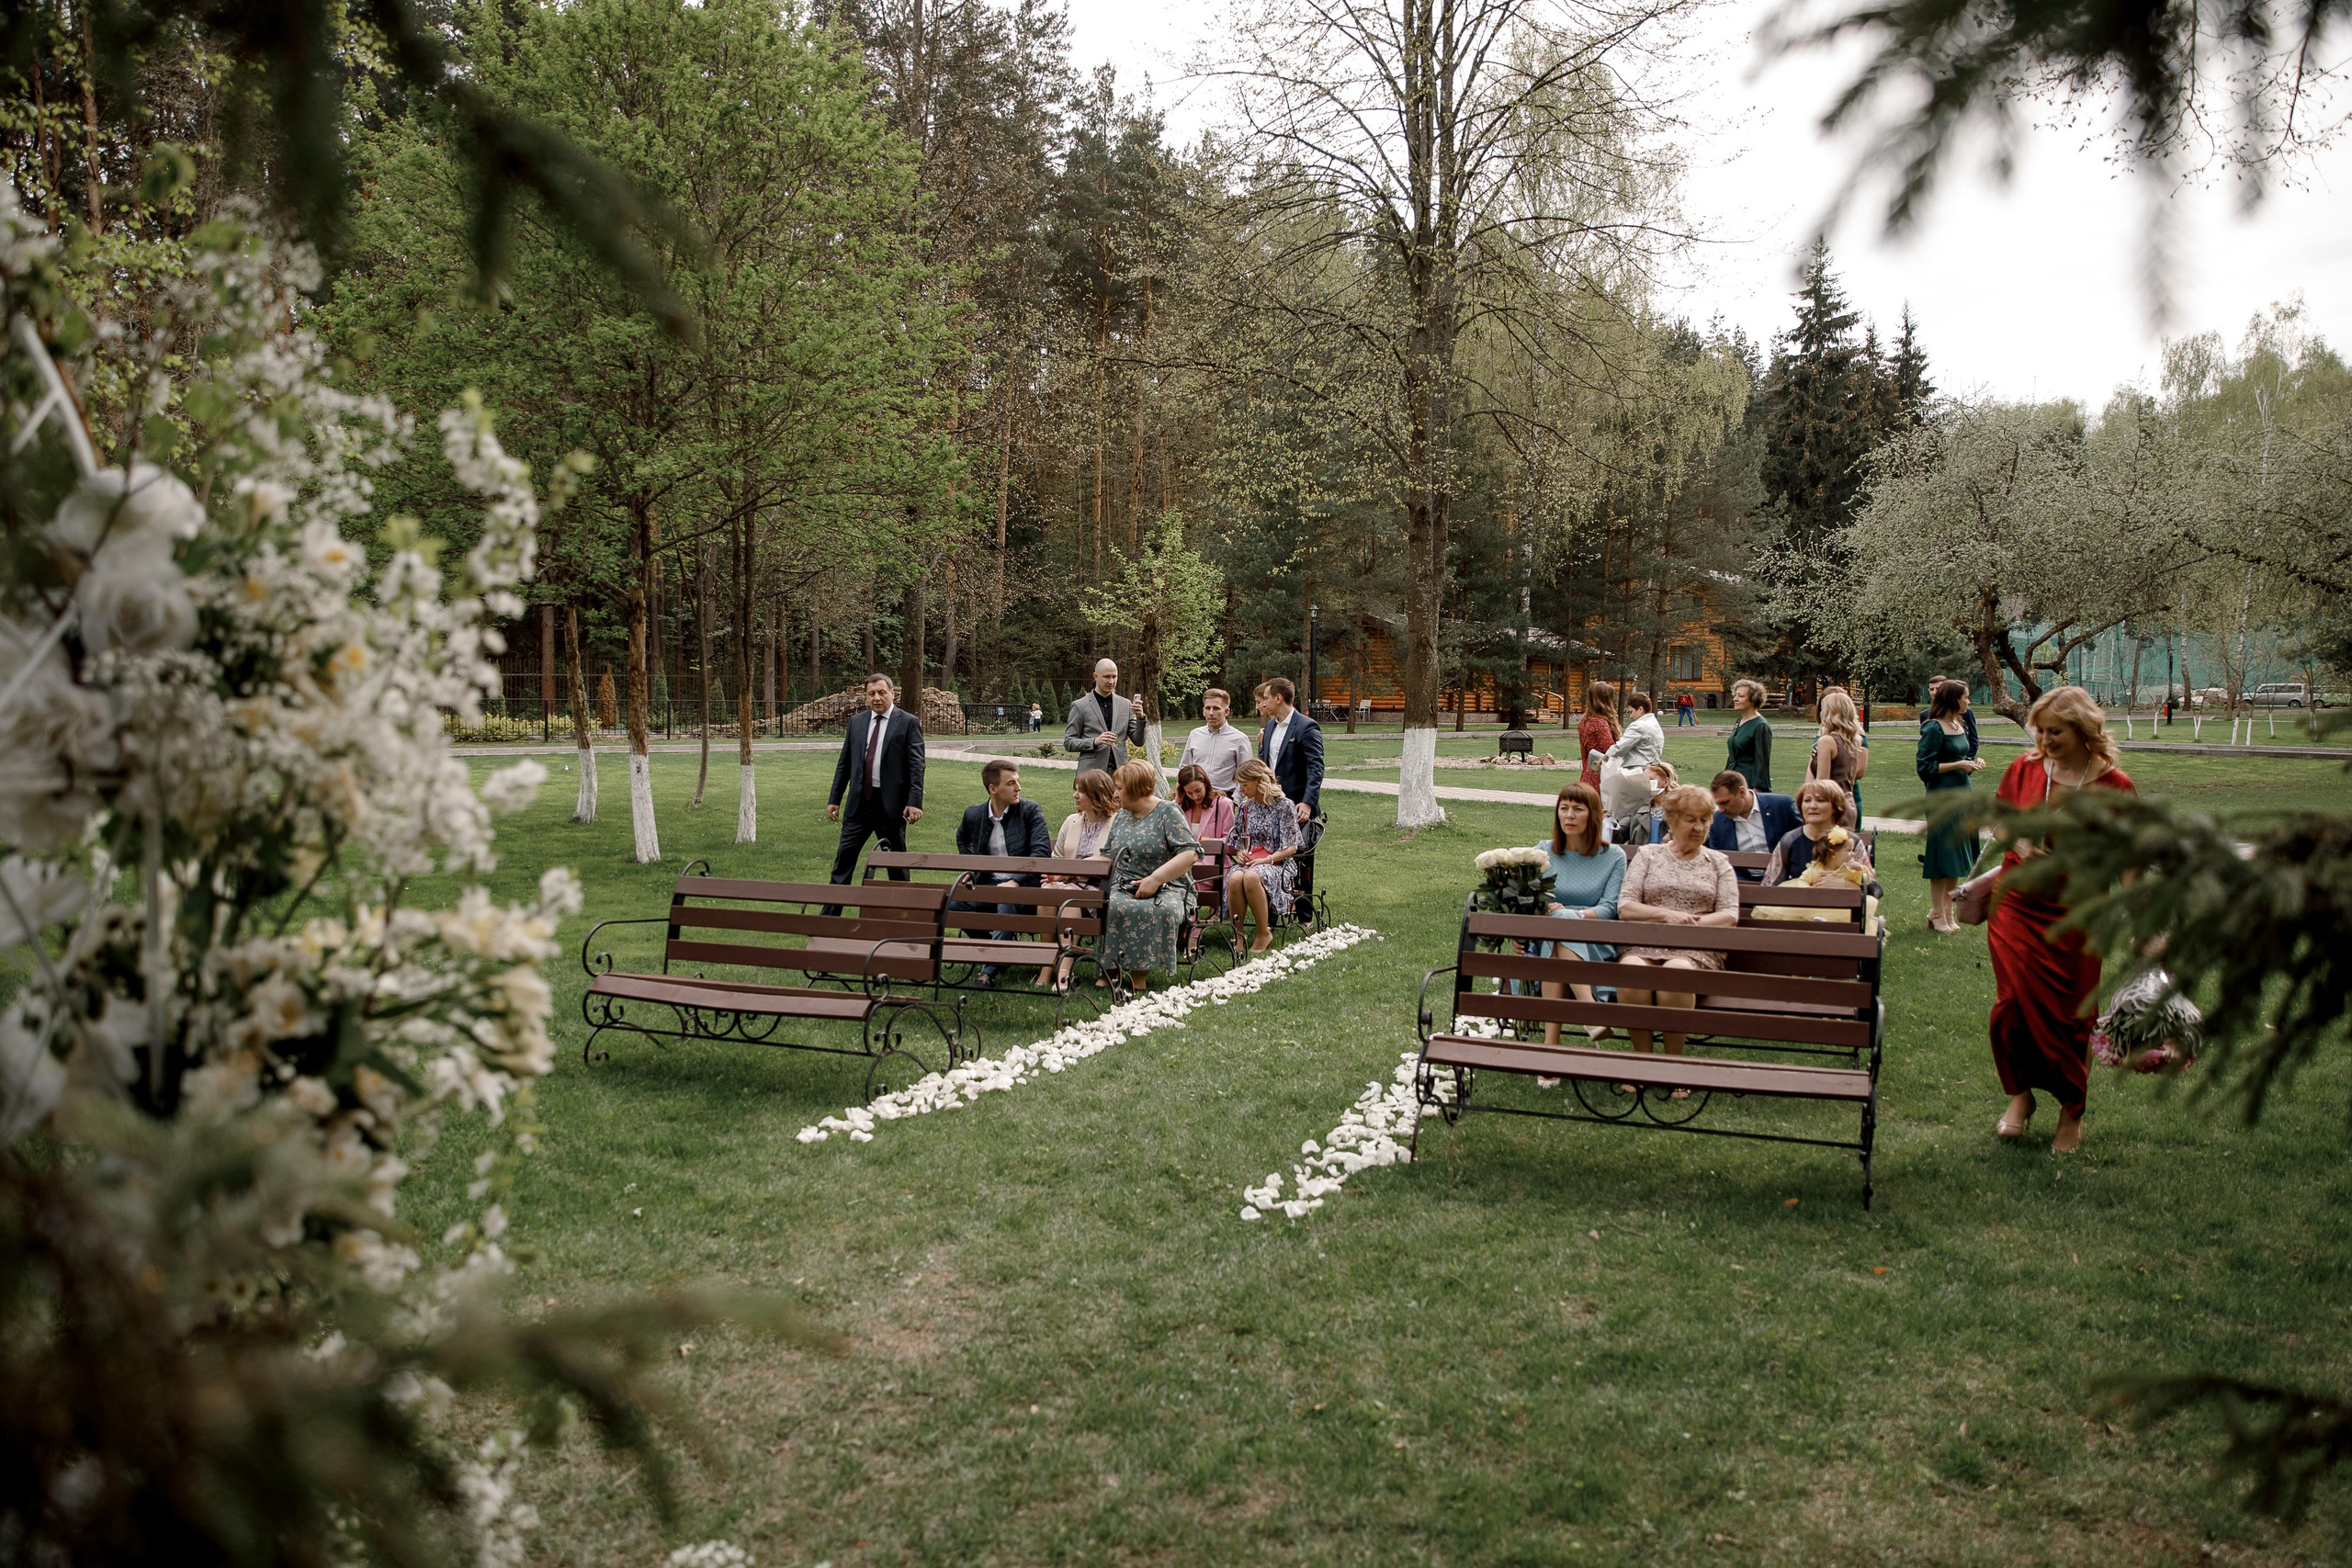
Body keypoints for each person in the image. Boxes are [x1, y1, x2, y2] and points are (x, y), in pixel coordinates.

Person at [1987, 686, 2135, 1155]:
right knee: (2011, 1005)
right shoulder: (2024, 769)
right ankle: (2020, 1097)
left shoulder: (2115, 786)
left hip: (2078, 913)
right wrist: (2021, 840)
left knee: (2072, 1018)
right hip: (2017, 905)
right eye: (2040, 730)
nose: (2044, 739)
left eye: (2055, 731)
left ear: (2084, 731)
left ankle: (2071, 1113)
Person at [1615, 784, 1742, 1070]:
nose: (1699, 827)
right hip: (1646, 942)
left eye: (1705, 819)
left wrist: (1692, 923)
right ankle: (1642, 1064)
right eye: (1691, 819)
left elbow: (1729, 915)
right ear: (1671, 820)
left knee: (1676, 972)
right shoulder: (1648, 855)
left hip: (1695, 949)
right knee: (1631, 971)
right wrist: (1665, 916)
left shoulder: (1718, 862)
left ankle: (1673, 1065)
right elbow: (1626, 907)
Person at [1528, 781, 1627, 1046]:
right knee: (1556, 935)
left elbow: (1609, 908)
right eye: (1564, 808)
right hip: (1547, 938)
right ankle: (1590, 1015)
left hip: (1595, 940)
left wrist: (1573, 915)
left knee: (1560, 928)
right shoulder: (1542, 852)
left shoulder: (1613, 856)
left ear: (1593, 814)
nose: (1569, 816)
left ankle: (1551, 1046)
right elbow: (1530, 900)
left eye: (1578, 809)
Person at [1096, 759, 1200, 992]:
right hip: (1124, 884)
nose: (1115, 794)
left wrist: (1155, 879)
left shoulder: (1168, 811)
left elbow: (1190, 854)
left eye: (1119, 789)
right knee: (1111, 905)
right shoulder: (1122, 815)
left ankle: (1139, 973)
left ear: (1134, 789)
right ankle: (1110, 968)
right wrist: (1072, 872)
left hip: (1170, 887)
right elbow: (1108, 856)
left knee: (1152, 909)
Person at [952, 759, 1052, 985]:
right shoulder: (974, 814)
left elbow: (1042, 853)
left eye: (1018, 782)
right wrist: (972, 868)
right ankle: (1002, 952)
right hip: (989, 885)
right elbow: (962, 838)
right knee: (953, 903)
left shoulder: (1030, 810)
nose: (1018, 788)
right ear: (992, 789)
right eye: (1011, 783)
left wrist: (1015, 881)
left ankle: (988, 972)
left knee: (1006, 898)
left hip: (1027, 888)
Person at [826, 672, 925, 885]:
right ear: (866, 697)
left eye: (881, 692)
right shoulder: (857, 722)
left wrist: (914, 802)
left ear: (892, 693)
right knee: (843, 862)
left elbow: (917, 766)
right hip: (858, 806)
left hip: (891, 807)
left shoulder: (908, 723)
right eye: (871, 694)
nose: (877, 698)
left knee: (896, 866)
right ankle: (831, 915)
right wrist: (834, 798)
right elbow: (845, 763)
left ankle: (901, 914)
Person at [1917, 679, 1987, 931]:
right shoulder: (1933, 728)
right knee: (1942, 855)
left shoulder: (1959, 723)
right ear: (1952, 699)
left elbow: (1961, 756)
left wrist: (1972, 762)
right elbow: (1925, 768)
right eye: (1966, 697)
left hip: (1962, 794)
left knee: (1958, 855)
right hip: (1941, 797)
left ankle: (1948, 913)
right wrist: (1958, 765)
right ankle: (1936, 912)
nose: (1969, 701)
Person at [1255, 676, 1324, 911]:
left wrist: (1307, 801)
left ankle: (1304, 911)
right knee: (1273, 856)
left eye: (1266, 698)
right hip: (1271, 804)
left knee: (1301, 860)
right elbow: (1267, 764)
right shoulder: (1271, 726)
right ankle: (1274, 908)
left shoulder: (1307, 726)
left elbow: (1316, 767)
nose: (1263, 703)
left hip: (1297, 805)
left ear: (1278, 698)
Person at [1224, 760, 1302, 953]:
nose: (1241, 790)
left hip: (1277, 863)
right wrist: (1240, 853)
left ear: (1259, 781)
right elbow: (1237, 841)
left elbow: (1292, 847)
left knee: (1251, 876)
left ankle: (1263, 933)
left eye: (1245, 785)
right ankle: (1238, 935)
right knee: (1235, 877)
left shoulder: (1284, 805)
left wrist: (1267, 860)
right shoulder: (1245, 807)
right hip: (1252, 861)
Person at [1762, 779, 1879, 893]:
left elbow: (1875, 890)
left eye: (1820, 800)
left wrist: (1845, 885)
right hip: (1799, 908)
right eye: (1807, 800)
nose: (1812, 806)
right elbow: (1769, 885)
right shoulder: (1790, 840)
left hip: (1843, 909)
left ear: (1835, 807)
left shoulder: (1850, 841)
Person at [1173, 762, 1234, 953]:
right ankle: (1179, 930)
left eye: (1197, 791)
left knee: (1192, 881)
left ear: (1206, 783)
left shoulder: (1223, 804)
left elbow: (1231, 841)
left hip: (1214, 867)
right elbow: (1171, 833)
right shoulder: (1183, 806)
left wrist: (1207, 842)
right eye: (1189, 793)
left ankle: (1191, 936)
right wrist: (1177, 801)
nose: (1195, 796)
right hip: (1185, 865)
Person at [1704, 769, 1800, 876]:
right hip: (1741, 884)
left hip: (1784, 879)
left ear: (1741, 792)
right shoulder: (1717, 821)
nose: (1721, 809)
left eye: (1725, 803)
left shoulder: (1782, 806)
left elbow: (1804, 840)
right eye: (1718, 804)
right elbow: (1719, 864)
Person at [1063, 658, 1147, 774]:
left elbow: (1139, 741)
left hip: (1120, 775)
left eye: (1114, 676)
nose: (1111, 681)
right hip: (1090, 775)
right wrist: (1095, 741)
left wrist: (1141, 718)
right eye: (1107, 677)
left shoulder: (1126, 704)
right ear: (1095, 676)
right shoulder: (1079, 706)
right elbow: (1069, 742)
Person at [1599, 690, 1665, 838]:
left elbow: (1620, 747)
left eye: (1631, 712)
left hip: (1637, 773)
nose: (1631, 716)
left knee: (1625, 811)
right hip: (1652, 770)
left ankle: (1611, 836)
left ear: (1640, 709)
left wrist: (1605, 757)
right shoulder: (1654, 723)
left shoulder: (1639, 726)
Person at [1806, 688, 1868, 827]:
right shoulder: (1855, 740)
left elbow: (1822, 783)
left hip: (1829, 806)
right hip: (1847, 802)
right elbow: (1851, 780)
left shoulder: (1826, 741)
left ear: (1829, 712)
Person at [1178, 687, 1254, 795]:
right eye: (1208, 708)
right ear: (1203, 711)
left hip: (1223, 797)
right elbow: (1184, 768)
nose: (1211, 713)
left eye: (1216, 708)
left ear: (1226, 711)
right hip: (1195, 797)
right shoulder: (1195, 735)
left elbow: (1246, 776)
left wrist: (1234, 801)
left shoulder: (1239, 739)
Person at [1049, 768, 1120, 863]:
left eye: (1082, 791)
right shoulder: (1071, 821)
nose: (1075, 795)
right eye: (1076, 790)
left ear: (1098, 794)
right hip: (1067, 876)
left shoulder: (1118, 823)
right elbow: (1057, 858)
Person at [1725, 678, 1772, 792]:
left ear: (1753, 699)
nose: (1735, 699)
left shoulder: (1760, 725)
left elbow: (1762, 762)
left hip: (1749, 784)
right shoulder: (1739, 721)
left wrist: (1757, 791)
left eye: (1741, 696)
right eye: (1735, 695)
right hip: (1733, 781)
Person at [1577, 681, 1620, 792]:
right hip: (1602, 772)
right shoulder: (1600, 722)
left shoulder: (1585, 720)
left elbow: (1584, 751)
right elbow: (1610, 749)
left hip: (1589, 769)